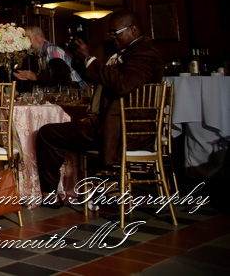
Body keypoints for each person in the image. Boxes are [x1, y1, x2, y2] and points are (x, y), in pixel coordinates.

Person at [35, 10, 163, 199]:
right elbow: (100, 75)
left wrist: (89, 59)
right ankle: (73, 185)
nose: (111, 37)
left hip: (124, 129)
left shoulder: (145, 54)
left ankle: (51, 193)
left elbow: (122, 84)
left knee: (48, 134)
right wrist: (79, 58)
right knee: (52, 132)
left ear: (134, 30)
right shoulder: (126, 52)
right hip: (108, 124)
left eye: (115, 32)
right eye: (110, 33)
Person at [13, 26, 86, 89]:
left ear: (38, 37)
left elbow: (60, 79)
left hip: (76, 93)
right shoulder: (40, 54)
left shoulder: (52, 51)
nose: (26, 43)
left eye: (28, 39)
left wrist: (35, 77)